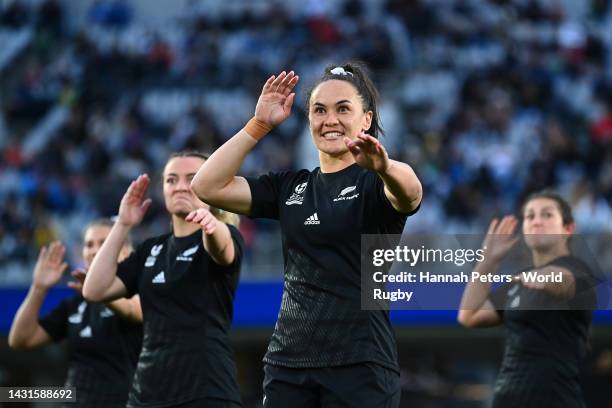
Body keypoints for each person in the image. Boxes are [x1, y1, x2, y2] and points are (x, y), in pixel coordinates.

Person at [191, 63, 422, 407]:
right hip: (288, 364)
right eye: (319, 110)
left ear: (367, 119)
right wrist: (258, 125)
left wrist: (385, 167)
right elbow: (206, 185)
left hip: (360, 363)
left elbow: (411, 193)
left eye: (343, 108)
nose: (330, 120)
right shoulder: (290, 187)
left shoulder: (376, 182)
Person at [83, 151, 244, 408]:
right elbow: (94, 290)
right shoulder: (150, 249)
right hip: (147, 394)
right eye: (171, 180)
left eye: (192, 179)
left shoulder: (224, 234)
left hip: (205, 390)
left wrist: (211, 226)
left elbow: (221, 247)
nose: (180, 186)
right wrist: (123, 223)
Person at [458, 191, 597, 408]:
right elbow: (469, 315)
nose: (537, 221)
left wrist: (545, 276)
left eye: (547, 215)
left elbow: (564, 281)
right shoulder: (519, 282)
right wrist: (488, 260)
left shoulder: (578, 270)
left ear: (568, 228)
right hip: (507, 400)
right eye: (530, 216)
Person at [8, 219, 143, 408]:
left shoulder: (141, 294)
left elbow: (135, 311)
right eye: (89, 244)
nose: (95, 250)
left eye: (104, 243)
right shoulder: (75, 305)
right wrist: (38, 288)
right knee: (9, 394)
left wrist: (100, 291)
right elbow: (20, 339)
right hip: (73, 399)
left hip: (123, 402)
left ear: (127, 251)